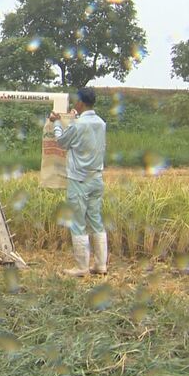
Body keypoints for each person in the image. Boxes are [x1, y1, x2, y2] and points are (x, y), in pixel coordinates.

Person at [49, 87, 108, 277]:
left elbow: (62, 141)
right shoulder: (101, 123)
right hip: (96, 177)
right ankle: (101, 265)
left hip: (79, 179)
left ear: (81, 103)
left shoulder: (78, 125)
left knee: (77, 222)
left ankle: (82, 267)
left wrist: (57, 122)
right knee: (96, 221)